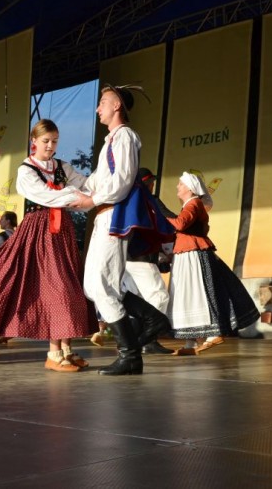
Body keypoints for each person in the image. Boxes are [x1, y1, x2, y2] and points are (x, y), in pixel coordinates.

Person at [0, 119, 96, 372]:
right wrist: (77, 197)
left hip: (62, 232)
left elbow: (86, 184)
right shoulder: (27, 170)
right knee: (56, 289)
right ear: (33, 141)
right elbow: (46, 196)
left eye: (55, 141)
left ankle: (66, 350)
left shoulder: (62, 166)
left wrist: (101, 188)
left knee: (71, 287)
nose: (50, 146)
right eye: (46, 141)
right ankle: (53, 354)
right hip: (39, 231)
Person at [69, 84, 171, 375]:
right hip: (104, 216)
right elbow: (93, 183)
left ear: (116, 106)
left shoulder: (124, 136)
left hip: (114, 216)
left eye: (102, 102)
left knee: (102, 285)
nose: (97, 108)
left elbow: (123, 181)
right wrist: (64, 176)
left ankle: (130, 354)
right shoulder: (111, 141)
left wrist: (92, 200)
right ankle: (151, 319)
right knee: (93, 286)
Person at [165, 172, 259, 355]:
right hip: (186, 254)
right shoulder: (190, 205)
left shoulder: (194, 203)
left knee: (200, 293)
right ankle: (190, 343)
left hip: (194, 254)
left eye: (180, 184)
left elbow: (180, 224)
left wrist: (161, 211)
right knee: (187, 296)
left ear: (190, 189)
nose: (177, 187)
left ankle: (214, 333)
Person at [123, 168, 175, 355]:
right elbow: (172, 222)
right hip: (142, 257)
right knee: (158, 296)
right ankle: (147, 340)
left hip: (125, 258)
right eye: (150, 182)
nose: (153, 185)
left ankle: (133, 342)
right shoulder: (149, 200)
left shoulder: (125, 201)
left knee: (139, 301)